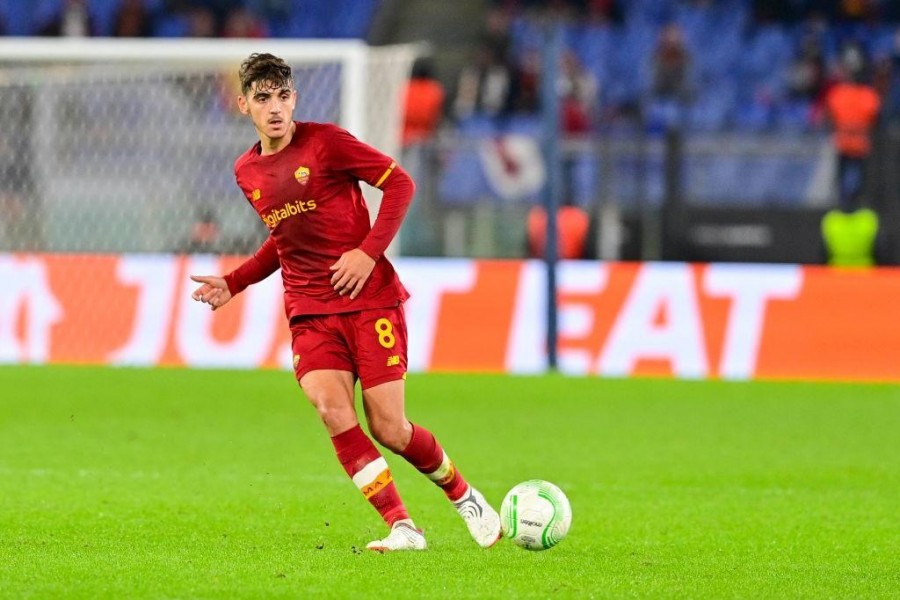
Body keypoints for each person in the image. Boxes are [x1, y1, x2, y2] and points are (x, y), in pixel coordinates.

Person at [189, 53, 501, 552]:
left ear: (294, 99)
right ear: (244, 104)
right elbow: (284, 239)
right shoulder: (246, 171)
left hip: (368, 299)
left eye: (283, 96)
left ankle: (462, 495)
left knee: (389, 427)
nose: (275, 108)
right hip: (310, 311)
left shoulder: (327, 143)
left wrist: (366, 252)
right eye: (263, 98)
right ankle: (402, 526)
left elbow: (401, 183)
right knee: (332, 410)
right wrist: (237, 281)